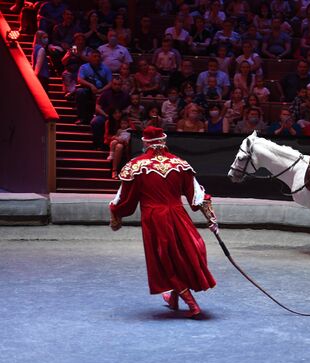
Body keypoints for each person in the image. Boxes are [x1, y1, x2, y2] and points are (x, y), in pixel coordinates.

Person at [110, 126, 218, 317]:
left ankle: (192, 305)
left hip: (154, 218)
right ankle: (174, 299)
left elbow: (124, 198)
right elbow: (198, 195)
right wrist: (211, 220)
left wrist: (116, 215)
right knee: (180, 255)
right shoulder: (180, 164)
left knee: (164, 260)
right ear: (164, 141)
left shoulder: (136, 166)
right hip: (178, 216)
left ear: (145, 142)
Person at [90, 77, 131, 149]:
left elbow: (129, 108)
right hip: (105, 115)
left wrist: (121, 114)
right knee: (96, 122)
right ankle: (98, 144)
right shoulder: (105, 94)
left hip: (120, 116)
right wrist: (105, 115)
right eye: (115, 84)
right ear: (112, 84)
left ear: (121, 85)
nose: (117, 86)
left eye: (119, 84)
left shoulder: (126, 95)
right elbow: (97, 107)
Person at [76, 49, 112, 125]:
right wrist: (91, 85)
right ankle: (82, 118)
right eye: (94, 56)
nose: (97, 58)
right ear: (89, 58)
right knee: (80, 92)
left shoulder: (106, 68)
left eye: (98, 56)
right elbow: (80, 79)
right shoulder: (84, 67)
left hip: (102, 89)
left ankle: (106, 117)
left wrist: (101, 90)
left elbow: (110, 83)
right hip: (89, 89)